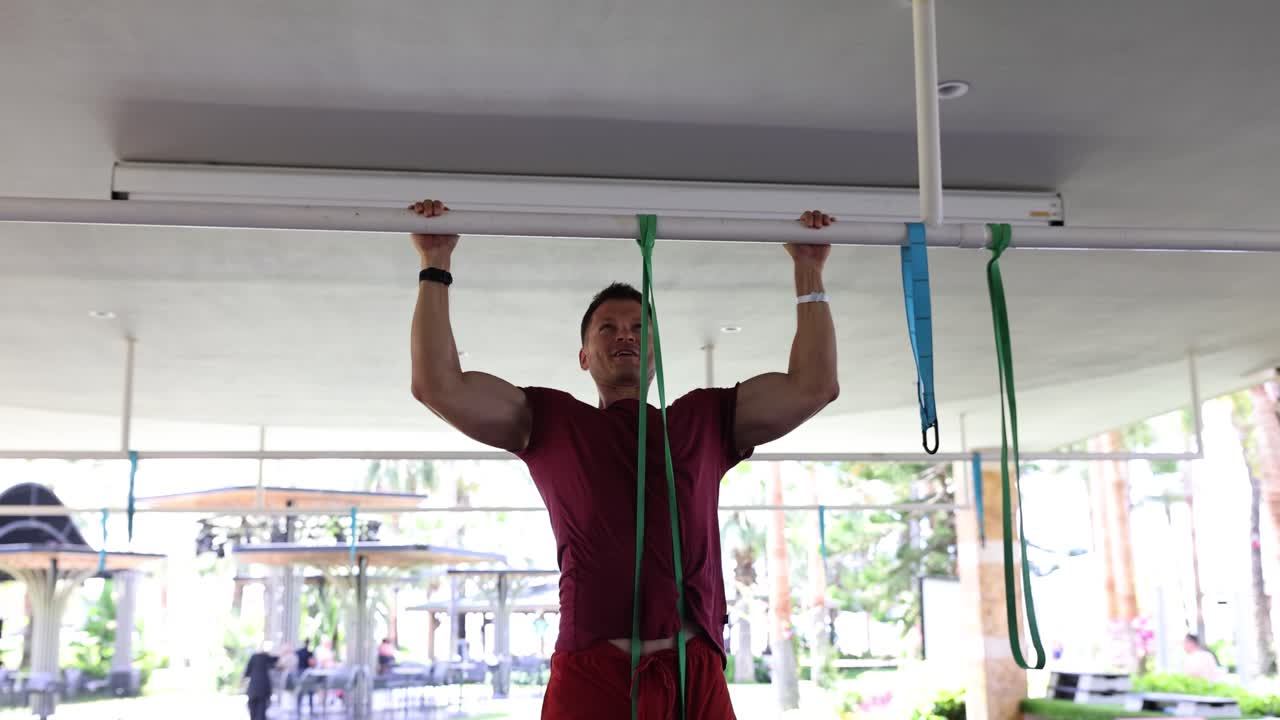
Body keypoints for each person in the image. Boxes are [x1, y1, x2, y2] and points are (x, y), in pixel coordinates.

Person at [408, 199, 839, 719]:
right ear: (585, 356)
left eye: (638, 325)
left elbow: (815, 386)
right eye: (606, 328)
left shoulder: (704, 419)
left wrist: (808, 269)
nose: (625, 334)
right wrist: (435, 262)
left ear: (656, 349)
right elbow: (438, 385)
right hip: (592, 674)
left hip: (692, 675)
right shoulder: (551, 421)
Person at [242, 642, 278, 720]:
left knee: (253, 712)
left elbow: (247, 673)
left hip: (253, 688)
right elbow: (276, 661)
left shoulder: (253, 657)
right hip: (264, 689)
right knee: (261, 713)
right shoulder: (267, 657)